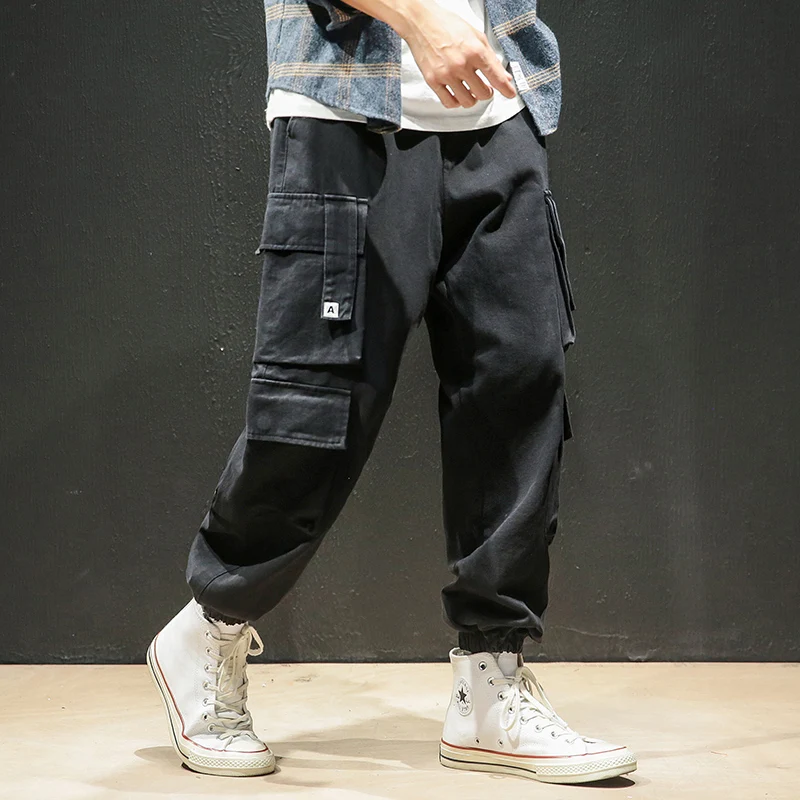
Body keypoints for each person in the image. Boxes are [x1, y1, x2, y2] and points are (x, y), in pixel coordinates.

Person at [146, 0, 637, 785]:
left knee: (519, 388)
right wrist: (417, 20)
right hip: (344, 112)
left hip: (497, 110)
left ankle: (490, 683)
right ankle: (212, 623)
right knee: (320, 407)